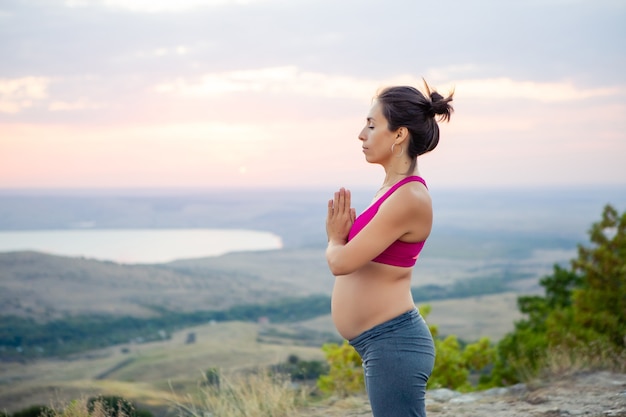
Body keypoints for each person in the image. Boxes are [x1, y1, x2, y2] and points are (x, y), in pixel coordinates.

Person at [325, 80, 454, 417]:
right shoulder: (390, 189)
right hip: (382, 343)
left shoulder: (408, 198)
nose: (361, 134)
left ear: (399, 135)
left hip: (393, 342)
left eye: (371, 125)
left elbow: (341, 263)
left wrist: (335, 238)